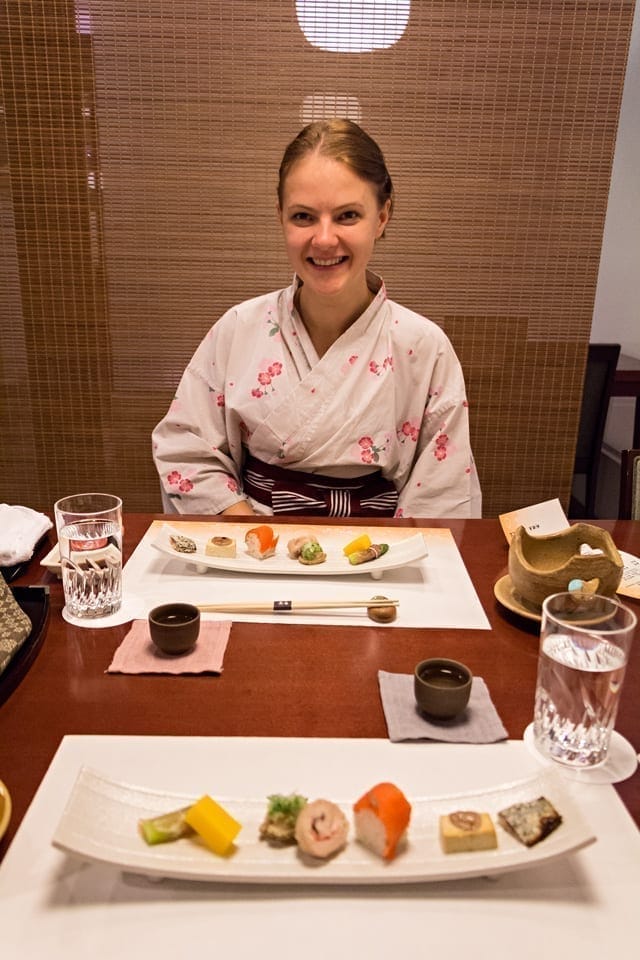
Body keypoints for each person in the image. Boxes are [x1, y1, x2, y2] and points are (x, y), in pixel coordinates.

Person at [152, 119, 481, 518]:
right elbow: (186, 447)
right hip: (256, 548)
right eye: (304, 217)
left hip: (382, 558)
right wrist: (249, 530)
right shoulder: (239, 328)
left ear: (382, 217)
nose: (324, 239)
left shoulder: (423, 346)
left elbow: (441, 492)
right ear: (280, 217)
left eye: (347, 216)